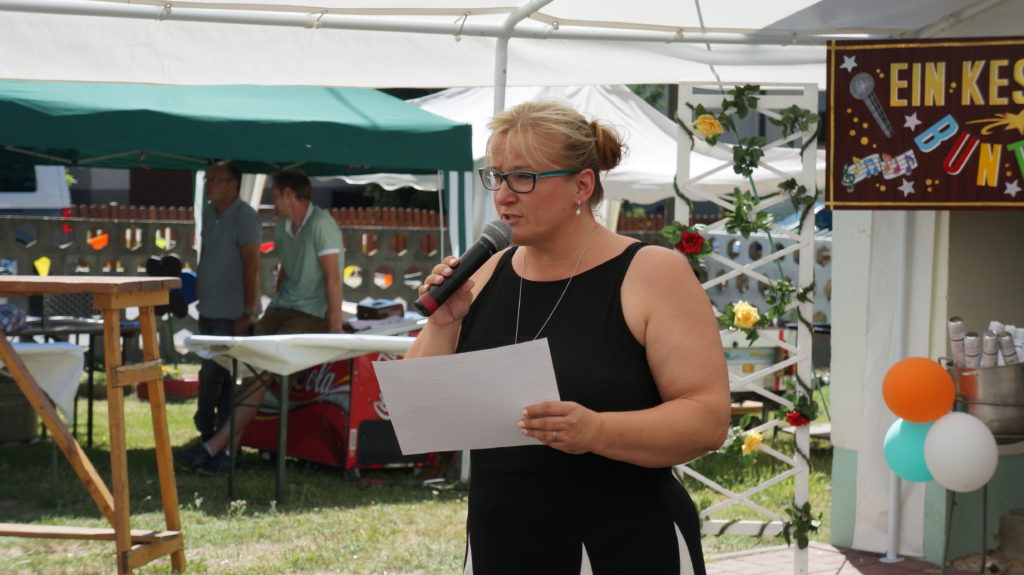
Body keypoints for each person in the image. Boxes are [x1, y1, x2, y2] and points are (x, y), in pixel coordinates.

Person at [406, 100, 731, 574]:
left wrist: (597, 431)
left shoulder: (652, 273)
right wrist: (443, 323)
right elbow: (417, 409)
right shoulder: (486, 270)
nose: (503, 196)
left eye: (523, 178)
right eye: (496, 176)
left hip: (623, 545)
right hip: (501, 544)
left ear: (582, 185)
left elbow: (707, 419)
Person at [175, 168, 344, 476]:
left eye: (275, 195)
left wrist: (334, 328)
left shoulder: (322, 224)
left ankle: (216, 447)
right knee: (251, 373)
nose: (272, 201)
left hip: (308, 315)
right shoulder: (282, 225)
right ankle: (226, 450)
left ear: (290, 194)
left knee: (259, 374)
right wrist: (274, 306)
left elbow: (333, 277)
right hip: (281, 310)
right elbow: (284, 269)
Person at [192, 160, 262, 446]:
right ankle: (213, 434)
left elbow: (252, 264)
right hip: (209, 306)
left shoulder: (245, 217)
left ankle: (213, 431)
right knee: (213, 372)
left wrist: (248, 310)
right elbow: (206, 250)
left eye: (215, 180)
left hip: (232, 312)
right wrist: (200, 281)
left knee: (217, 373)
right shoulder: (209, 212)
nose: (208, 184)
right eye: (207, 179)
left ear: (233, 185)